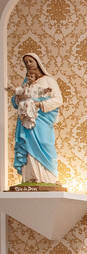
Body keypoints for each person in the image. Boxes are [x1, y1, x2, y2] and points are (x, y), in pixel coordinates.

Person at [6, 54, 63, 186]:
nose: (29, 64)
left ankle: (49, 178)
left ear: (37, 62)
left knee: (45, 143)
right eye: (26, 62)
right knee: (27, 146)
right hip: (26, 119)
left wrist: (40, 104)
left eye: (31, 61)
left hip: (41, 119)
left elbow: (58, 100)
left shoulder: (48, 80)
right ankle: (30, 178)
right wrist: (19, 98)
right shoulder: (26, 82)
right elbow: (15, 101)